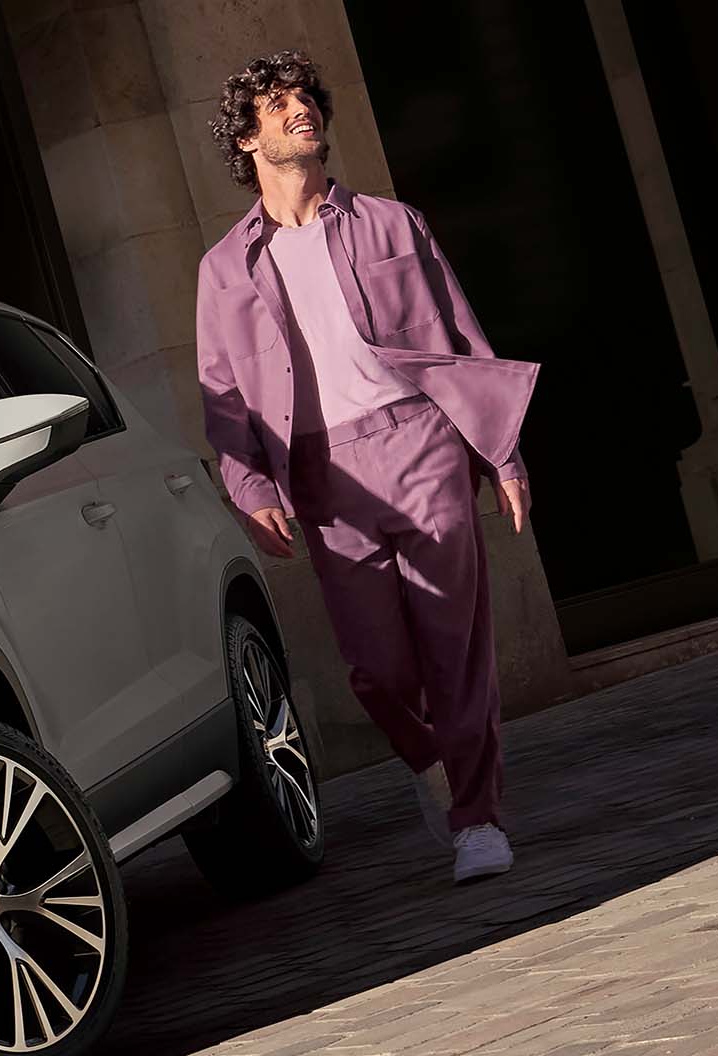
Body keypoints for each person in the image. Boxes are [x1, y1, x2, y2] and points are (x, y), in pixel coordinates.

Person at [194, 50, 539, 883]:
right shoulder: (222, 269)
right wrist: (249, 485)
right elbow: (223, 390)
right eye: (276, 106)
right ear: (246, 138)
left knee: (455, 644)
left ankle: (478, 818)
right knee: (376, 669)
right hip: (323, 476)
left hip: (418, 440)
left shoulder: (393, 223)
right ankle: (433, 766)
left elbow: (460, 336)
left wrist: (503, 451)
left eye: (305, 99)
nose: (298, 111)